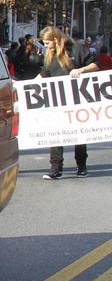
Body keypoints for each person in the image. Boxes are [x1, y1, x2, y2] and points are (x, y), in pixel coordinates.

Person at [38, 25, 98, 180]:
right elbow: (44, 75)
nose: (45, 47)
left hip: (76, 99)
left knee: (78, 133)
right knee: (56, 134)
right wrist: (21, 86)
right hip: (57, 100)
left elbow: (95, 64)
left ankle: (81, 166)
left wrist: (81, 70)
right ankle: (56, 168)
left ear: (56, 40)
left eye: (47, 43)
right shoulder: (49, 55)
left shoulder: (76, 48)